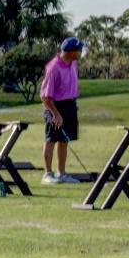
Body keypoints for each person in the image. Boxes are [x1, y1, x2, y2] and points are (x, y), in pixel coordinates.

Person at [40, 36, 84, 186]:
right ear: (71, 52)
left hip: (69, 105)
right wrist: (55, 114)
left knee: (64, 140)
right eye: (79, 50)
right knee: (51, 139)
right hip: (54, 105)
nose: (81, 52)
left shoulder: (72, 63)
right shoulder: (53, 67)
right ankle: (47, 174)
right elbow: (45, 96)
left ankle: (62, 174)